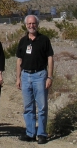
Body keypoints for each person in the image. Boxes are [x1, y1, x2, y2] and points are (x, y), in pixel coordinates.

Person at [16, 15, 54, 145]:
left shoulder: (44, 40)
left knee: (42, 107)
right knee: (28, 107)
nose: (31, 26)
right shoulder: (23, 41)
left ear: (37, 24)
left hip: (40, 76)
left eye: (34, 23)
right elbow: (19, 60)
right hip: (26, 76)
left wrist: (49, 76)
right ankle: (30, 133)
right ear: (26, 25)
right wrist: (18, 78)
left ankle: (42, 134)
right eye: (29, 24)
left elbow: (50, 58)